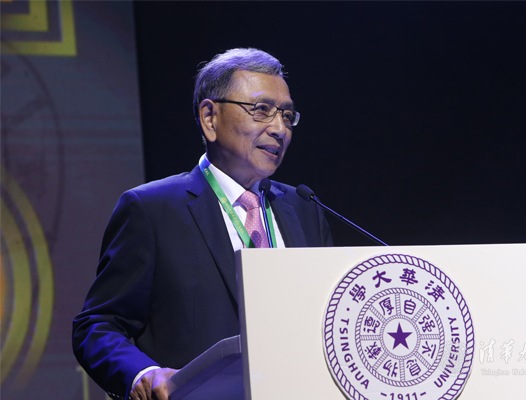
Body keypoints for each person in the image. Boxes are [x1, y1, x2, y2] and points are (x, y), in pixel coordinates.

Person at [72, 48, 333, 400]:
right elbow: (96, 326)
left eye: (287, 115)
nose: (279, 129)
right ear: (210, 118)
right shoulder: (152, 209)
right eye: (261, 110)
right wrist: (143, 374)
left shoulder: (304, 208)